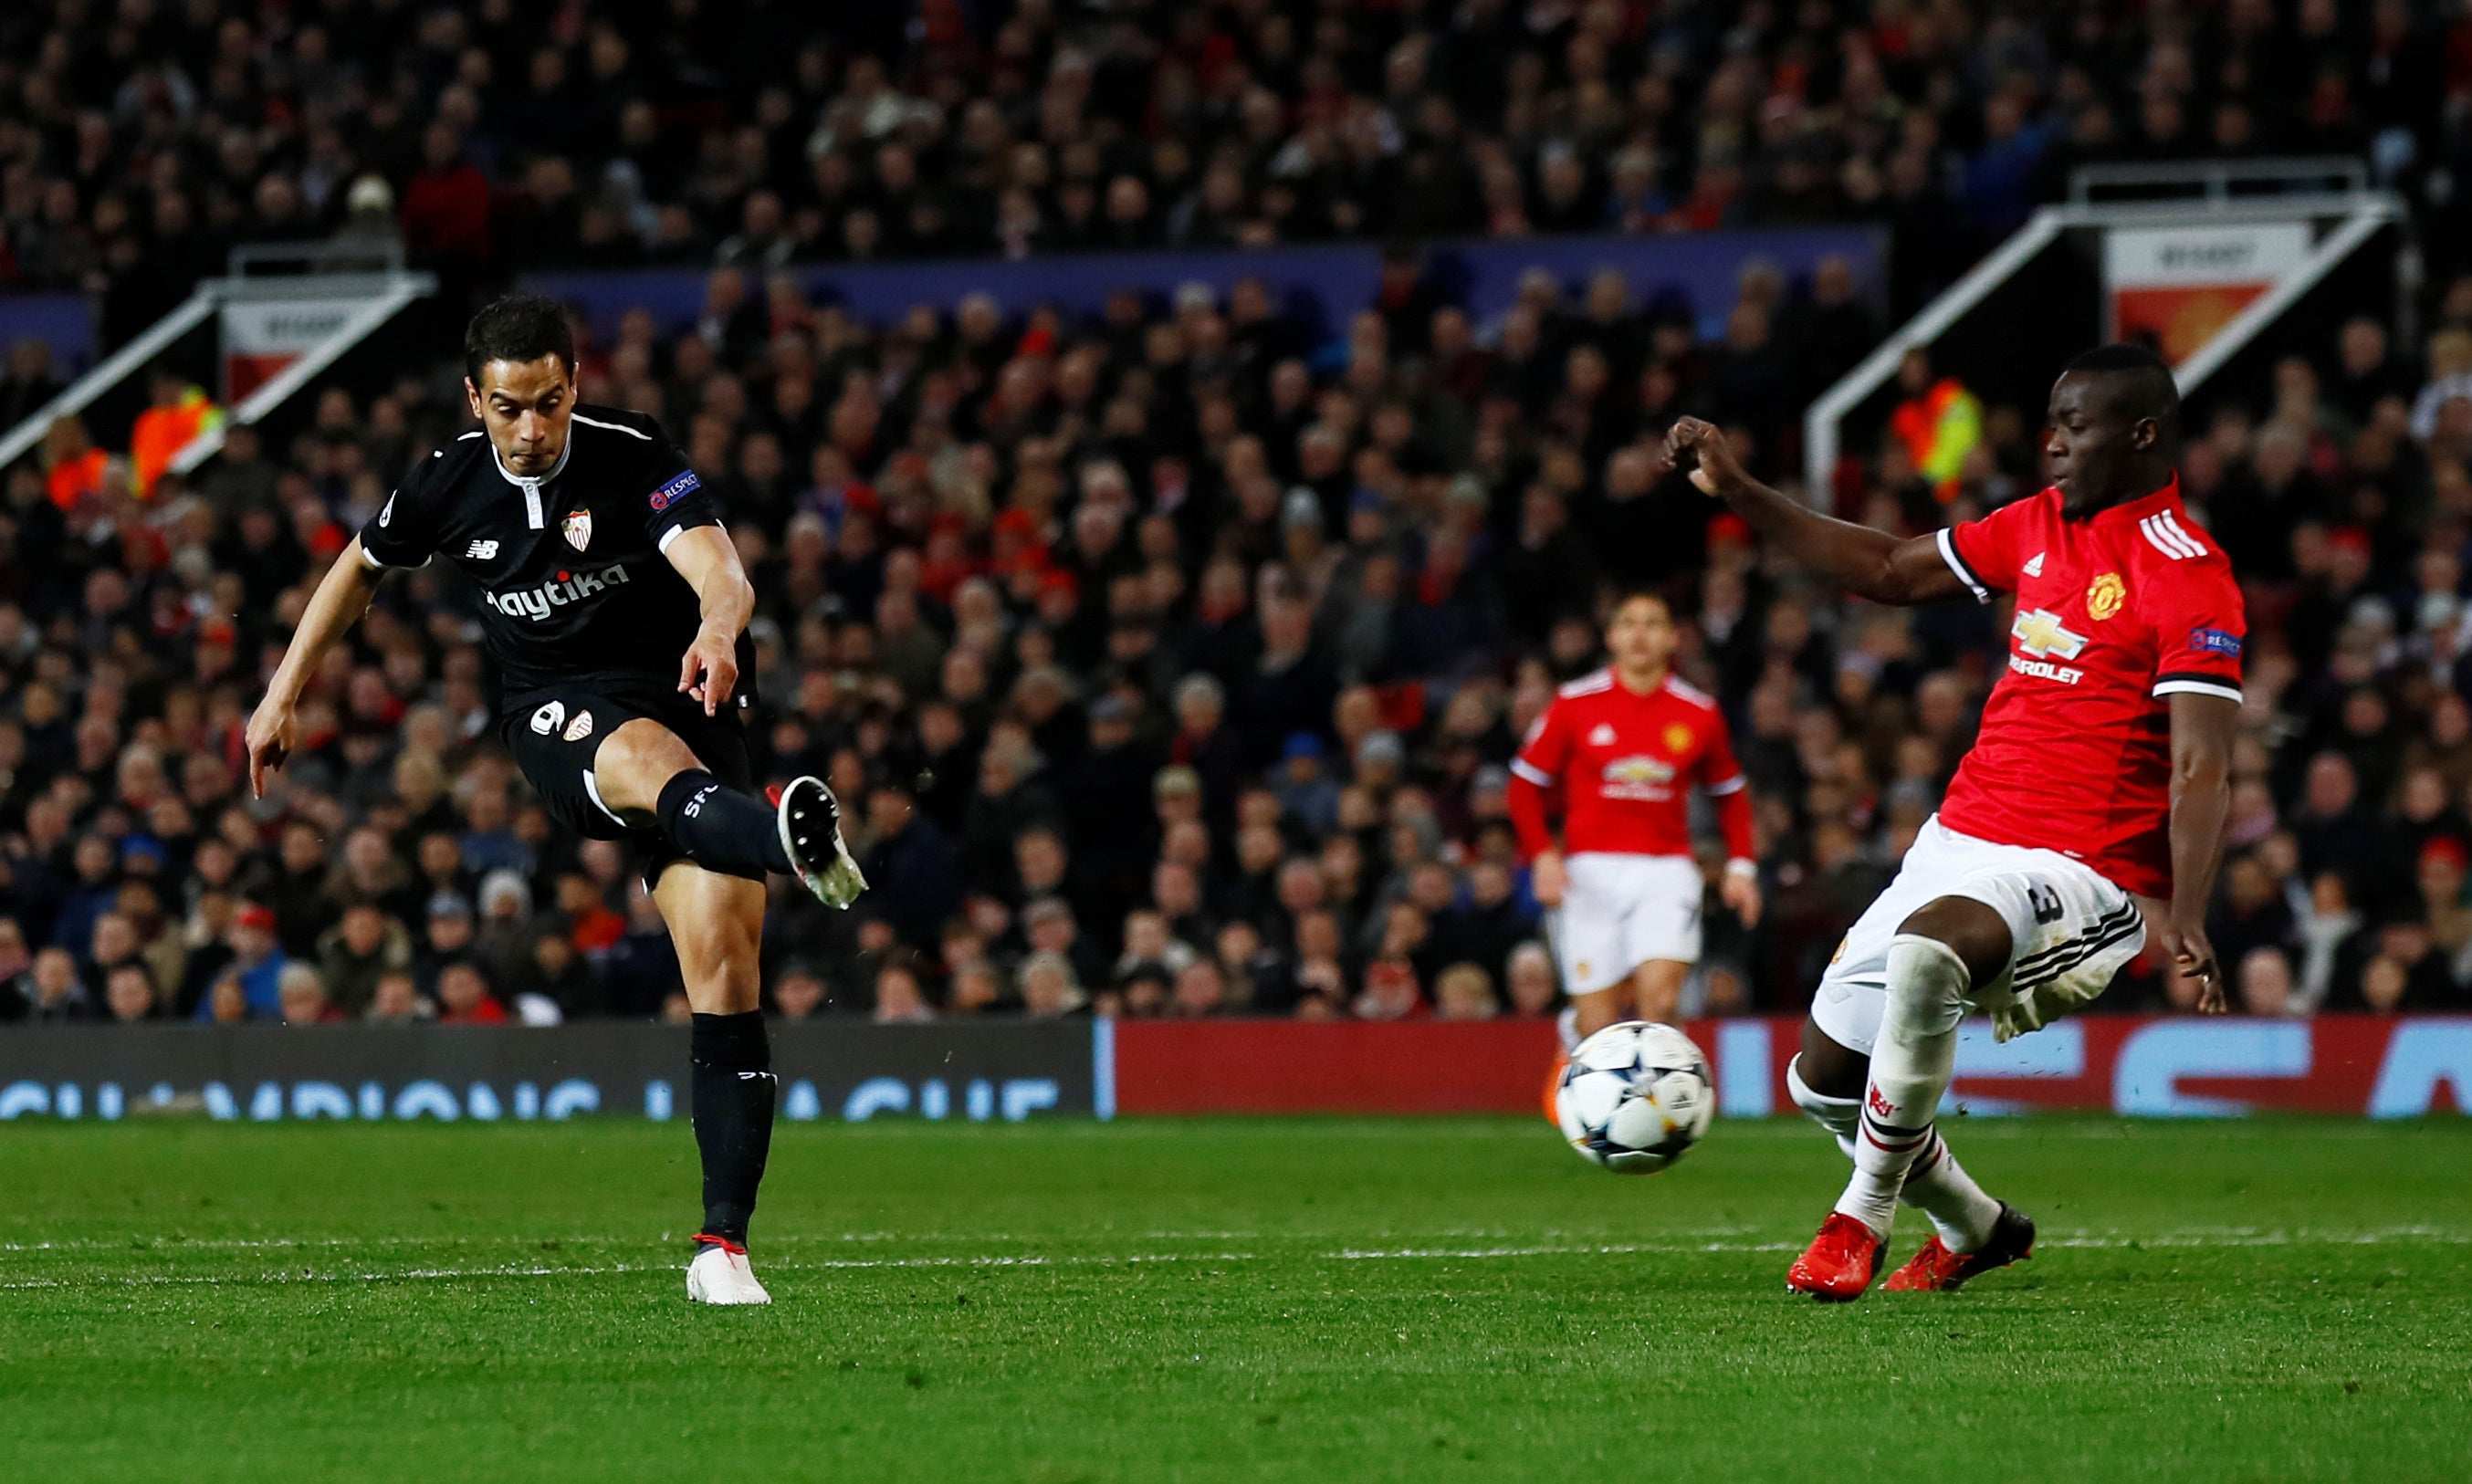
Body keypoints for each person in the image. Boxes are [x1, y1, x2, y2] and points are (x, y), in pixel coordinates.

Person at [243, 294, 868, 1307]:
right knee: (642, 759)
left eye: (548, 403)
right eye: (508, 408)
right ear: (474, 400)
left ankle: (722, 1249)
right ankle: (785, 841)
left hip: (689, 691)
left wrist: (716, 630)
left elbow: (720, 570)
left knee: (723, 964)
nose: (530, 429)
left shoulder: (631, 455)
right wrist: (282, 694)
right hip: (557, 712)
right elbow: (357, 571)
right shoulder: (445, 482)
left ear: (574, 386)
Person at [1664, 341, 2243, 1301]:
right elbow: (1889, 568)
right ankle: (1977, 1227)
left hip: (2080, 868)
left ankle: (1858, 1217)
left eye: (2075, 426)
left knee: (1931, 951)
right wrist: (1739, 490)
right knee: (1822, 1079)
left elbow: (2202, 760)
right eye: (2051, 424)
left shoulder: (2186, 572)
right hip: (1960, 838)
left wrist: (2185, 908)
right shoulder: (2036, 524)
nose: (2052, 443)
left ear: (2141, 435)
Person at [1507, 590, 1760, 1038]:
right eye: (1629, 623)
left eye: (1653, 624)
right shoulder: (1574, 703)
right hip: (1589, 873)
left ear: (1673, 638)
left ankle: (1663, 1083)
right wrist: (1543, 855)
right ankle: (1580, 1040)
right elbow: (1524, 785)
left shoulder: (1698, 712)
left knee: (1660, 1004)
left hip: (1666, 870)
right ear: (1612, 637)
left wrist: (1741, 867)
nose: (1640, 634)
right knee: (1597, 1024)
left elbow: (1730, 793)